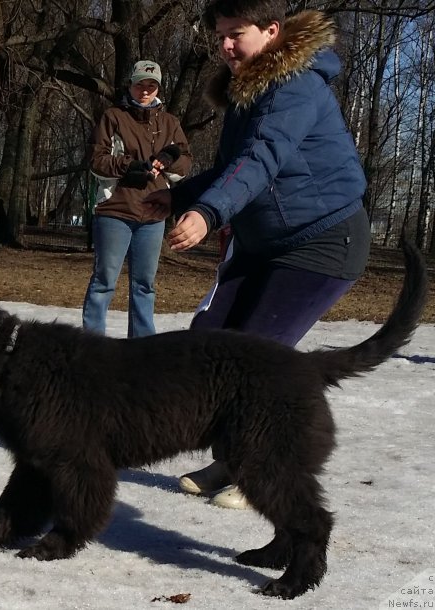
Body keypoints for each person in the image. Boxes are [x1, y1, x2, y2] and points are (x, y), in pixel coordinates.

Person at [146, 1, 371, 509]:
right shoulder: (250, 89)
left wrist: (208, 213)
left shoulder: (296, 87)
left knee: (255, 362)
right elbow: (231, 165)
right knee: (207, 345)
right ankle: (233, 457)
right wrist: (180, 197)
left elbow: (261, 159)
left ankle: (261, 472)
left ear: (272, 31)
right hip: (264, 242)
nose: (225, 46)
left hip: (323, 240)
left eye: (236, 34)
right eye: (220, 35)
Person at [83, 60, 192, 338]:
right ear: (130, 85)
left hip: (153, 214)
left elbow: (186, 161)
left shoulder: (170, 123)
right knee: (104, 281)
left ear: (158, 88)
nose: (145, 90)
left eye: (151, 85)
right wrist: (129, 166)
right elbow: (96, 161)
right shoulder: (113, 116)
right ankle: (92, 343)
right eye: (140, 84)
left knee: (145, 284)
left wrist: (168, 161)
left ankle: (143, 345)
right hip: (115, 210)